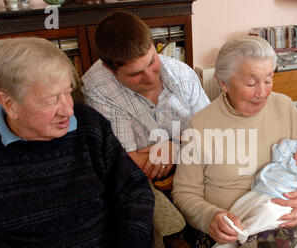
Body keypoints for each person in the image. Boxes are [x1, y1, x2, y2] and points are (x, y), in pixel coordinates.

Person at [0, 37, 165, 248]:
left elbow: (133, 188)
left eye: (68, 92)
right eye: (51, 100)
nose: (68, 110)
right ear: (9, 104)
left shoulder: (89, 125)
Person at [172, 36, 297, 248]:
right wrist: (210, 216)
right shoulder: (201, 125)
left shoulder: (284, 107)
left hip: (281, 220)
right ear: (223, 82)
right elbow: (184, 192)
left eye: (269, 79)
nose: (263, 92)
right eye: (251, 82)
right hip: (226, 230)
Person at [82, 12, 210, 181]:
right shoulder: (97, 88)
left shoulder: (182, 73)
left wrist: (176, 147)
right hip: (144, 184)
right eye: (136, 74)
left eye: (151, 62)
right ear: (109, 68)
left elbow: (212, 133)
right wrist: (190, 145)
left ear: (153, 44)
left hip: (200, 174)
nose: (150, 78)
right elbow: (124, 164)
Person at [204, 137, 297, 248]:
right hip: (258, 192)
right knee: (237, 210)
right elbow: (278, 150)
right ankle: (227, 242)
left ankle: (244, 233)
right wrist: (294, 144)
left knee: (268, 213)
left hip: (278, 202)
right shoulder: (285, 160)